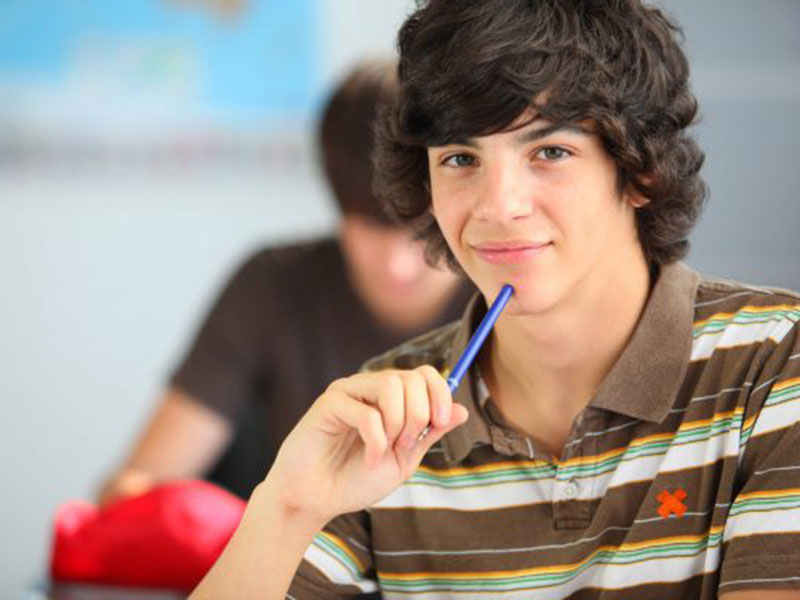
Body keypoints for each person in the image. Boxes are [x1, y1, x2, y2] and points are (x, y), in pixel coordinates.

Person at [192, 1, 800, 598]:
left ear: (641, 171)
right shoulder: (394, 419)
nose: (496, 206)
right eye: (460, 158)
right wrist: (288, 506)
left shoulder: (776, 364)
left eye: (550, 152)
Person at [98, 59, 473, 505]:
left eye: (422, 232)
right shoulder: (272, 287)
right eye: (367, 227)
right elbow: (130, 493)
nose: (399, 266)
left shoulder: (511, 293)